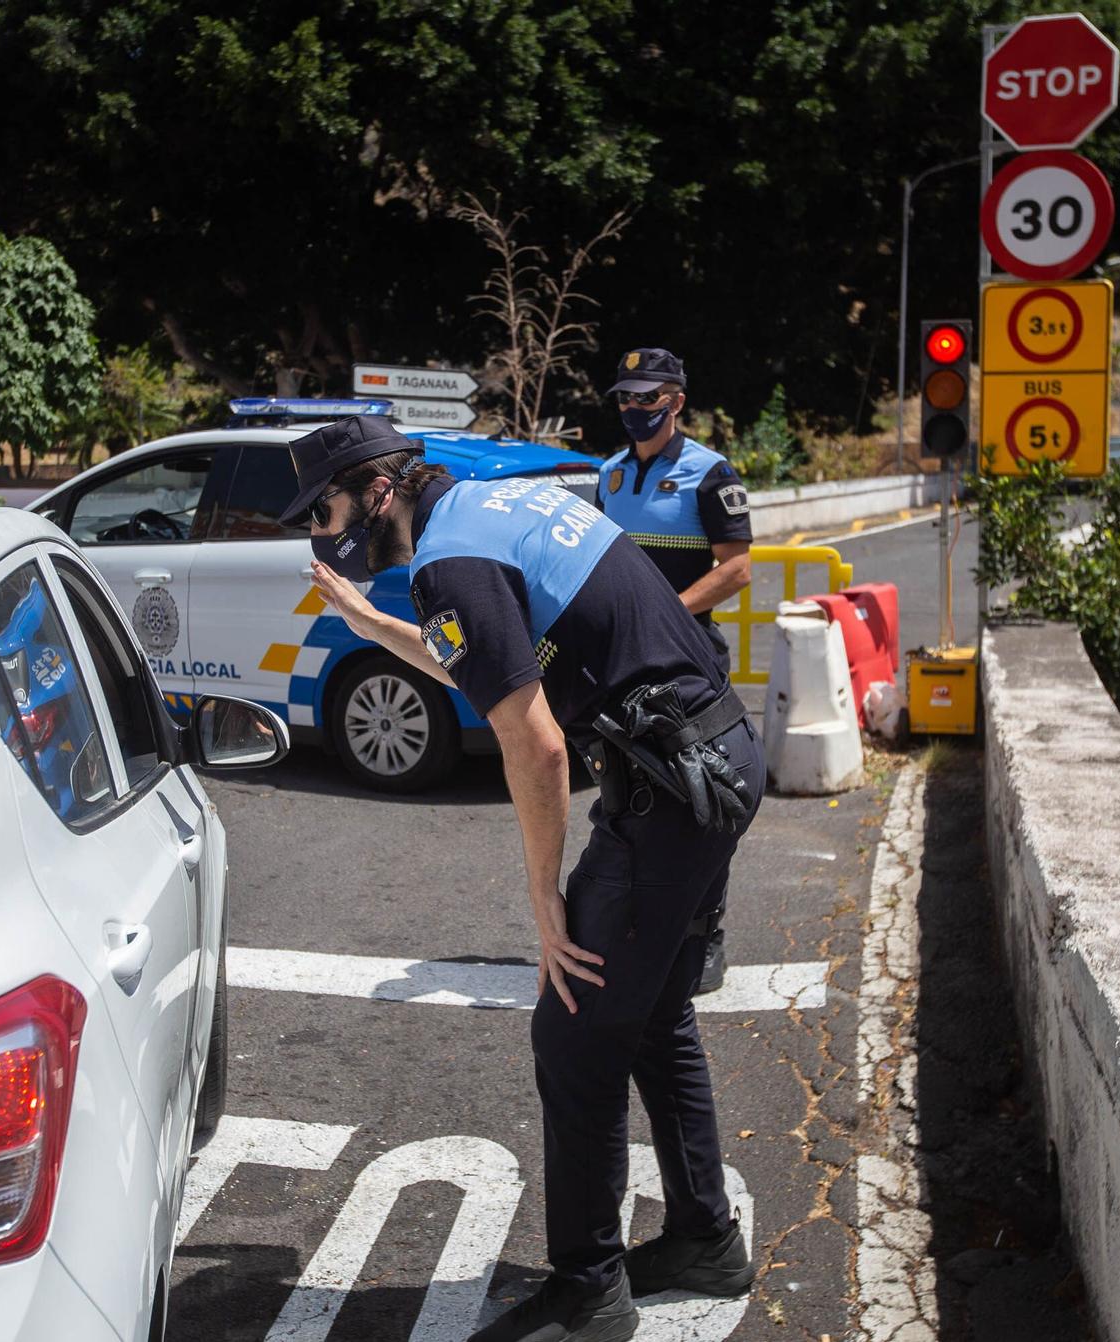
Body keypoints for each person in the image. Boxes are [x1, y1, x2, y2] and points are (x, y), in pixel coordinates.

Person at [280, 413, 765, 1342]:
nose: (319, 531)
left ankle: (589, 1288)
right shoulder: (490, 510)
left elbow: (534, 744)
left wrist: (544, 895)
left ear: (377, 492)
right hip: (714, 759)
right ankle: (705, 1237)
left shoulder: (448, 563)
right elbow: (491, 670)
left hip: (671, 792)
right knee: (655, 1014)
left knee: (573, 1031)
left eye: (323, 508)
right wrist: (375, 626)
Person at [595, 347, 752, 994]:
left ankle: (706, 929)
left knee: (702, 798)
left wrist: (665, 613)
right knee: (626, 797)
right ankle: (634, 919)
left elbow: (737, 569)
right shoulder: (607, 475)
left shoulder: (711, 475)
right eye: (626, 398)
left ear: (678, 401)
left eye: (649, 397)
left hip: (688, 661)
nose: (636, 409)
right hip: (620, 663)